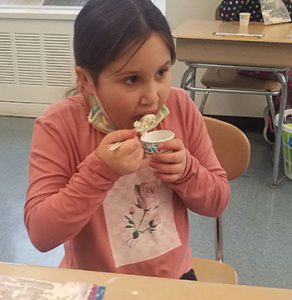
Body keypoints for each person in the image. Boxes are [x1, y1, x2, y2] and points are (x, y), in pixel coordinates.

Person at [24, 0, 230, 281]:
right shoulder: (59, 125)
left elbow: (218, 201)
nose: (153, 97)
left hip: (174, 277)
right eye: (132, 79)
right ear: (86, 79)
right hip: (95, 281)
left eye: (161, 73)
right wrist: (99, 171)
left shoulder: (181, 109)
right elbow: (41, 234)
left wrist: (186, 172)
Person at [219, 0, 292, 143]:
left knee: (287, 73)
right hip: (248, 56)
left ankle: (282, 118)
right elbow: (226, 14)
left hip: (281, 53)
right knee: (287, 75)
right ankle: (277, 117)